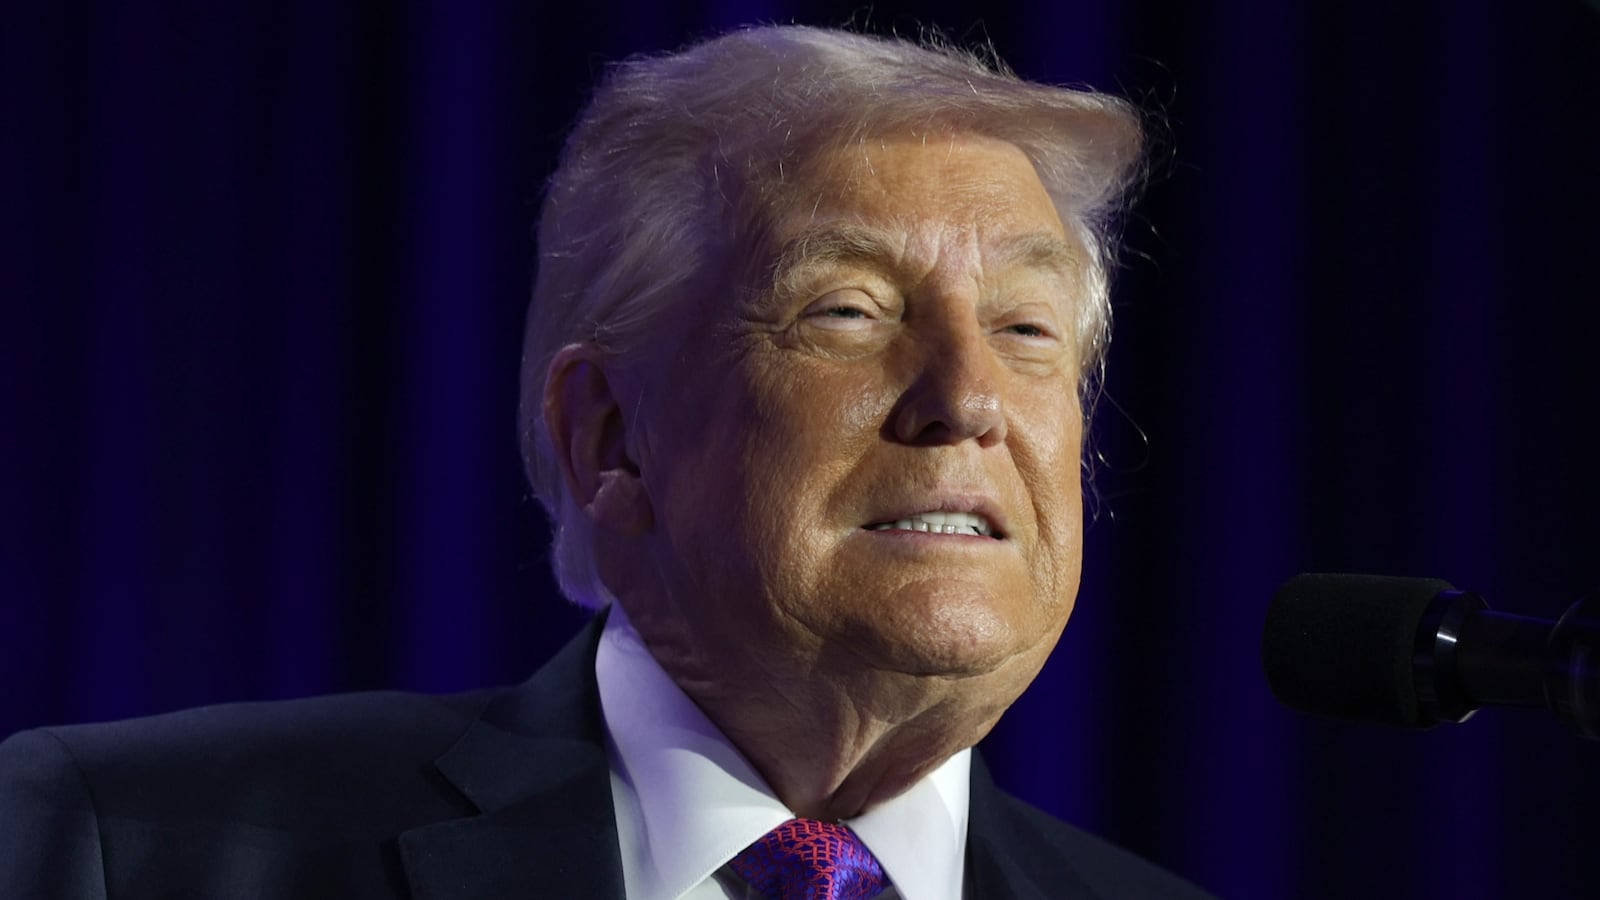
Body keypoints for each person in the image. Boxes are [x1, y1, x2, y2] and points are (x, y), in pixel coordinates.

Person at [0, 25, 1214, 899]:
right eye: (846, 312)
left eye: (1025, 331)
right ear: (609, 436)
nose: (966, 400)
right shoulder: (129, 845)